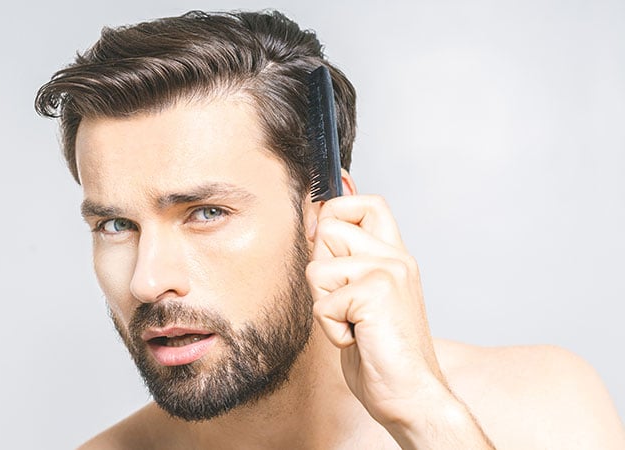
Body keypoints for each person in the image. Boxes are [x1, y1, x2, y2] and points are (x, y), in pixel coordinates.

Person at [35, 10, 624, 449]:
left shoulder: (541, 408)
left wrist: (423, 415)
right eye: (115, 224)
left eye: (205, 213)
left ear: (327, 212)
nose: (147, 281)